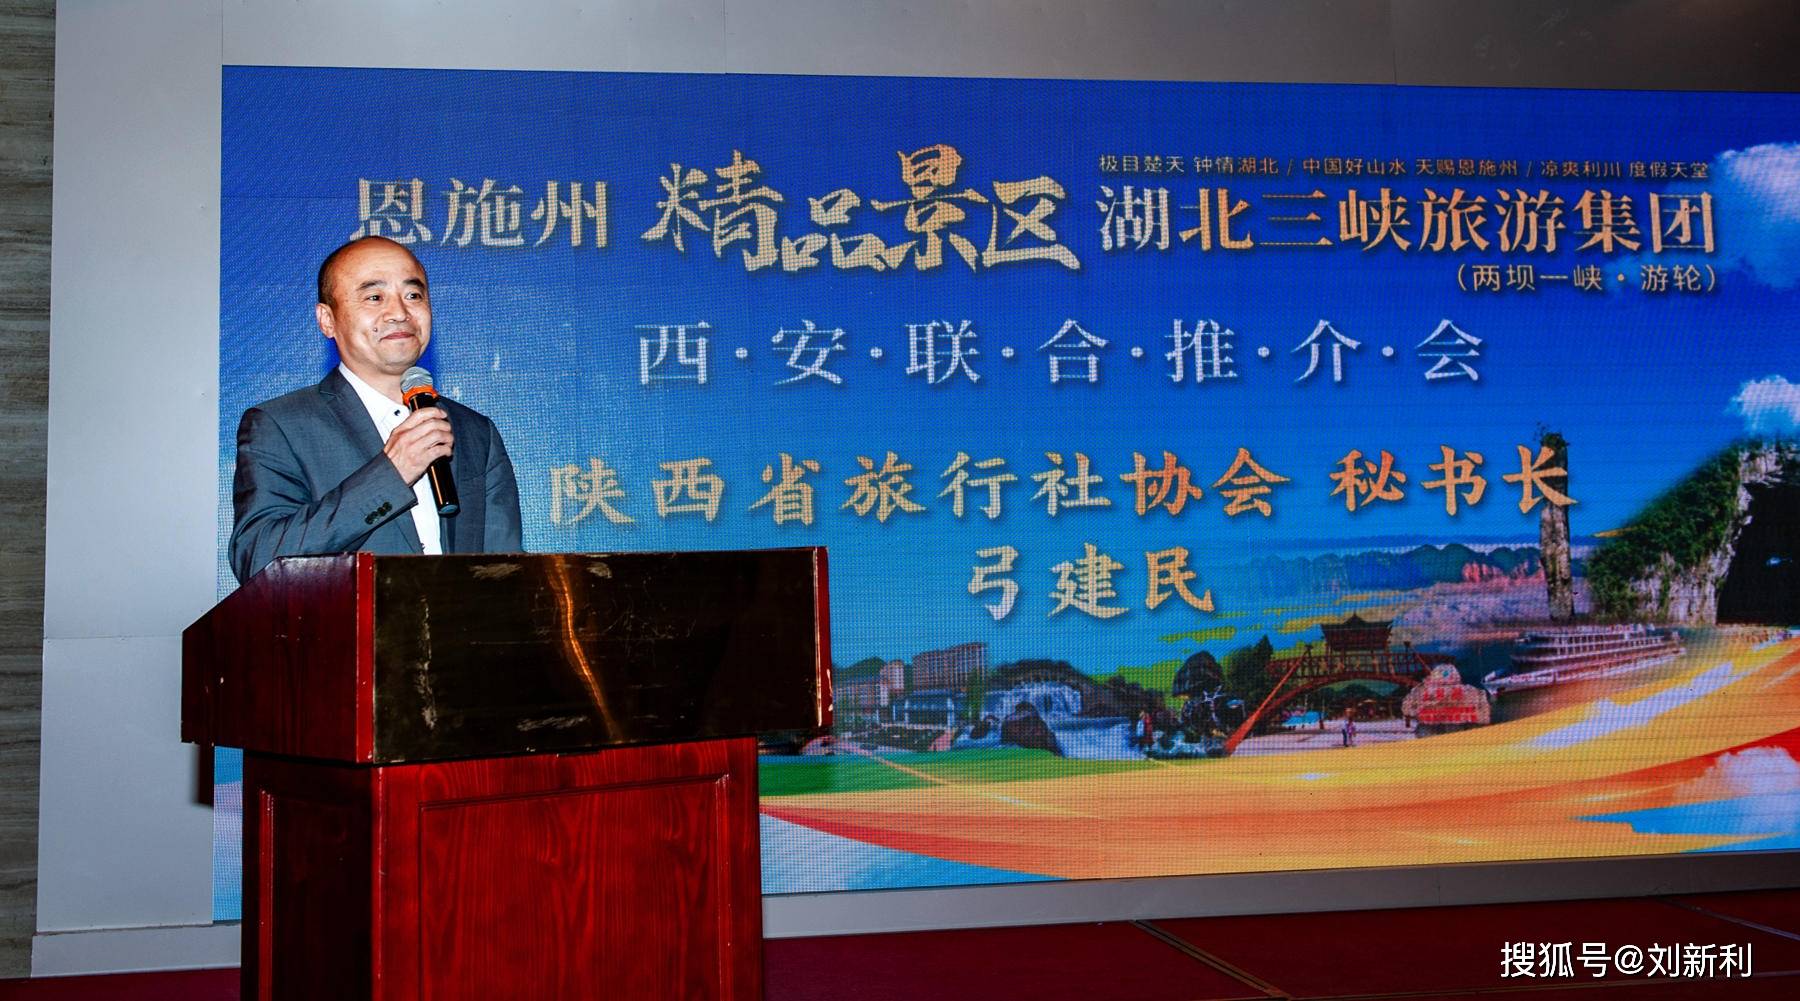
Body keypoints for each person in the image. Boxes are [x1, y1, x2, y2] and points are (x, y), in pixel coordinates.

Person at [229, 236, 521, 583]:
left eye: (413, 295)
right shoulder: (281, 424)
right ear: (327, 320)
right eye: (374, 297)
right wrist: (391, 474)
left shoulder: (474, 431)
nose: (399, 313)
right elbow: (258, 558)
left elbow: (505, 574)